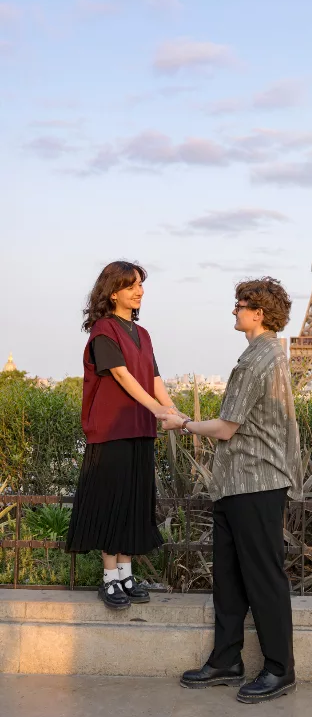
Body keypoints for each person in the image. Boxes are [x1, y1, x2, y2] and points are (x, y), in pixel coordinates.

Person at [160, 277, 303, 704]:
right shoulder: (263, 355)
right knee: (229, 576)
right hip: (238, 483)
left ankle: (280, 669)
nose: (234, 310)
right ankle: (226, 659)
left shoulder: (260, 360)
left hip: (254, 482)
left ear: (258, 312)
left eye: (239, 304)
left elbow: (225, 428)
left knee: (262, 577)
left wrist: (181, 423)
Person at [66, 261, 175, 610]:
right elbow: (123, 377)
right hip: (111, 431)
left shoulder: (143, 335)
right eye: (132, 286)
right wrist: (158, 411)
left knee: (132, 502)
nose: (140, 290)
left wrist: (173, 411)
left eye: (141, 284)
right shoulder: (103, 330)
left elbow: (154, 379)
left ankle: (126, 573)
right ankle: (109, 577)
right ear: (113, 292)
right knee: (112, 502)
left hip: (140, 429)